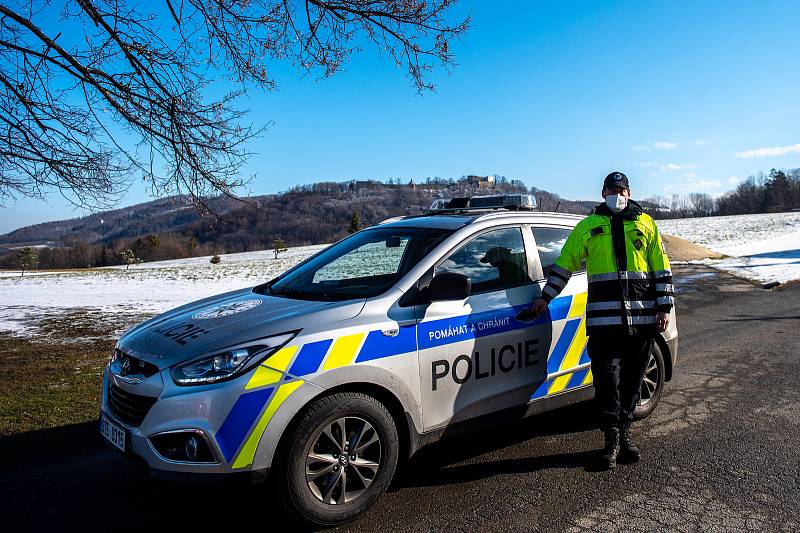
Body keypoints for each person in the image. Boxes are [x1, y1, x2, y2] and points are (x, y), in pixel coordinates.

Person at [529, 171, 674, 469]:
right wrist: (546, 297)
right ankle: (611, 440)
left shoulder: (645, 225)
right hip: (604, 324)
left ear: (629, 193)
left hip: (642, 321)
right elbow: (565, 264)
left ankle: (625, 434)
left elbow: (662, 269)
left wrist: (664, 308)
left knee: (633, 381)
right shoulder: (588, 227)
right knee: (607, 382)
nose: (617, 195)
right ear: (603, 193)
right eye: (612, 190)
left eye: (621, 190)